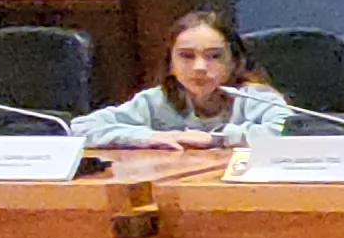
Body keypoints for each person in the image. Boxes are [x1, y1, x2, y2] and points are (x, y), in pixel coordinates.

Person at [70, 12, 296, 148]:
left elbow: (291, 132)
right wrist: (151, 137)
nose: (199, 67)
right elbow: (82, 127)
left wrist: (216, 140)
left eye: (214, 56)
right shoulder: (156, 100)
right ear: (171, 63)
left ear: (235, 61)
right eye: (186, 56)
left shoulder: (254, 97)